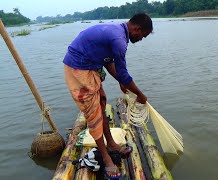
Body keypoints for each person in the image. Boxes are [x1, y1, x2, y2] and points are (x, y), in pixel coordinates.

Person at [63, 13, 152, 178]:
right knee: (94, 114)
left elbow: (107, 60)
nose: (141, 39)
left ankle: (110, 144)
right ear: (136, 29)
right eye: (143, 36)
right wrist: (140, 94)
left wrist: (120, 80)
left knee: (101, 106)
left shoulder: (118, 32)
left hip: (91, 67)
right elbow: (124, 74)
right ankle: (106, 157)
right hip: (79, 70)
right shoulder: (119, 40)